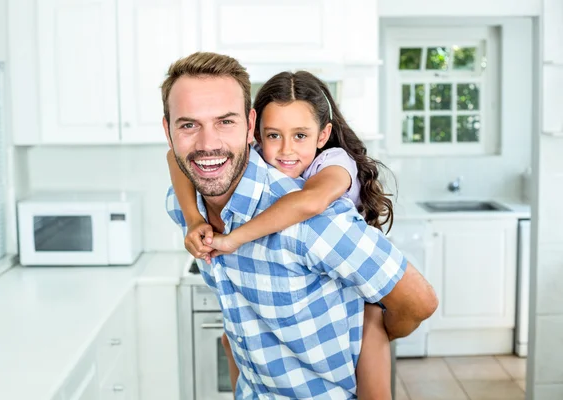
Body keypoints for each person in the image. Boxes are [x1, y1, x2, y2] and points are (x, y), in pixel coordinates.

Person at [162, 51, 438, 399]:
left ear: (248, 126)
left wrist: (375, 329)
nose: (206, 143)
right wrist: (193, 220)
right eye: (188, 124)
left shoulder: (315, 219)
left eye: (225, 121)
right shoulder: (187, 199)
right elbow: (175, 158)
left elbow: (420, 302)